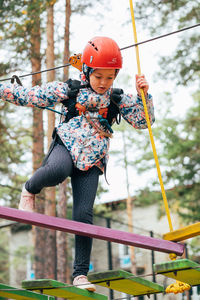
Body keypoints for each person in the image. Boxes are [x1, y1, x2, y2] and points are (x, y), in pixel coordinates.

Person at [0, 36, 155, 291]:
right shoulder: (71, 89)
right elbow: (32, 96)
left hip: (93, 161)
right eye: (99, 77)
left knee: (84, 214)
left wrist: (144, 95)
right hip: (66, 147)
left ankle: (80, 275)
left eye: (110, 77)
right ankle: (29, 188)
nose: (104, 83)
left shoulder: (116, 99)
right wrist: (4, 90)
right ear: (87, 71)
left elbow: (144, 121)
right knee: (58, 171)